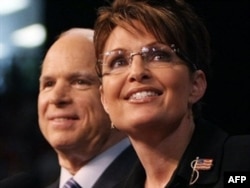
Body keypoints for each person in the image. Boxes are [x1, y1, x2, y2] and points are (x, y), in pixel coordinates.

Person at [93, 0, 250, 187]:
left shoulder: (242, 162)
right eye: (118, 61)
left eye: (158, 55)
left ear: (196, 85)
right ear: (104, 100)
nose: (136, 72)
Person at [38, 28, 137, 188]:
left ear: (117, 93)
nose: (56, 98)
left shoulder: (153, 180)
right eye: (48, 84)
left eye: (79, 82)